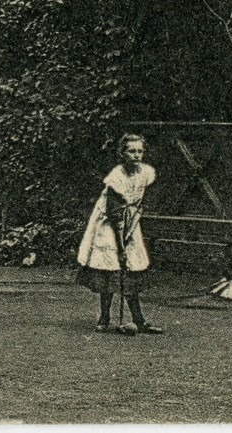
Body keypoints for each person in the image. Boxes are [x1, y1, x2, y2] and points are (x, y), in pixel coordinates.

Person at [75, 133, 162, 335]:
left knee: (131, 271)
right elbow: (115, 215)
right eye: (131, 151)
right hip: (109, 224)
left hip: (130, 221)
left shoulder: (146, 172)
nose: (136, 155)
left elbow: (143, 200)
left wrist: (135, 219)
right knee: (111, 268)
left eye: (140, 151)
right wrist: (121, 247)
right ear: (122, 154)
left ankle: (139, 320)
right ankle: (104, 318)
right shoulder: (116, 178)